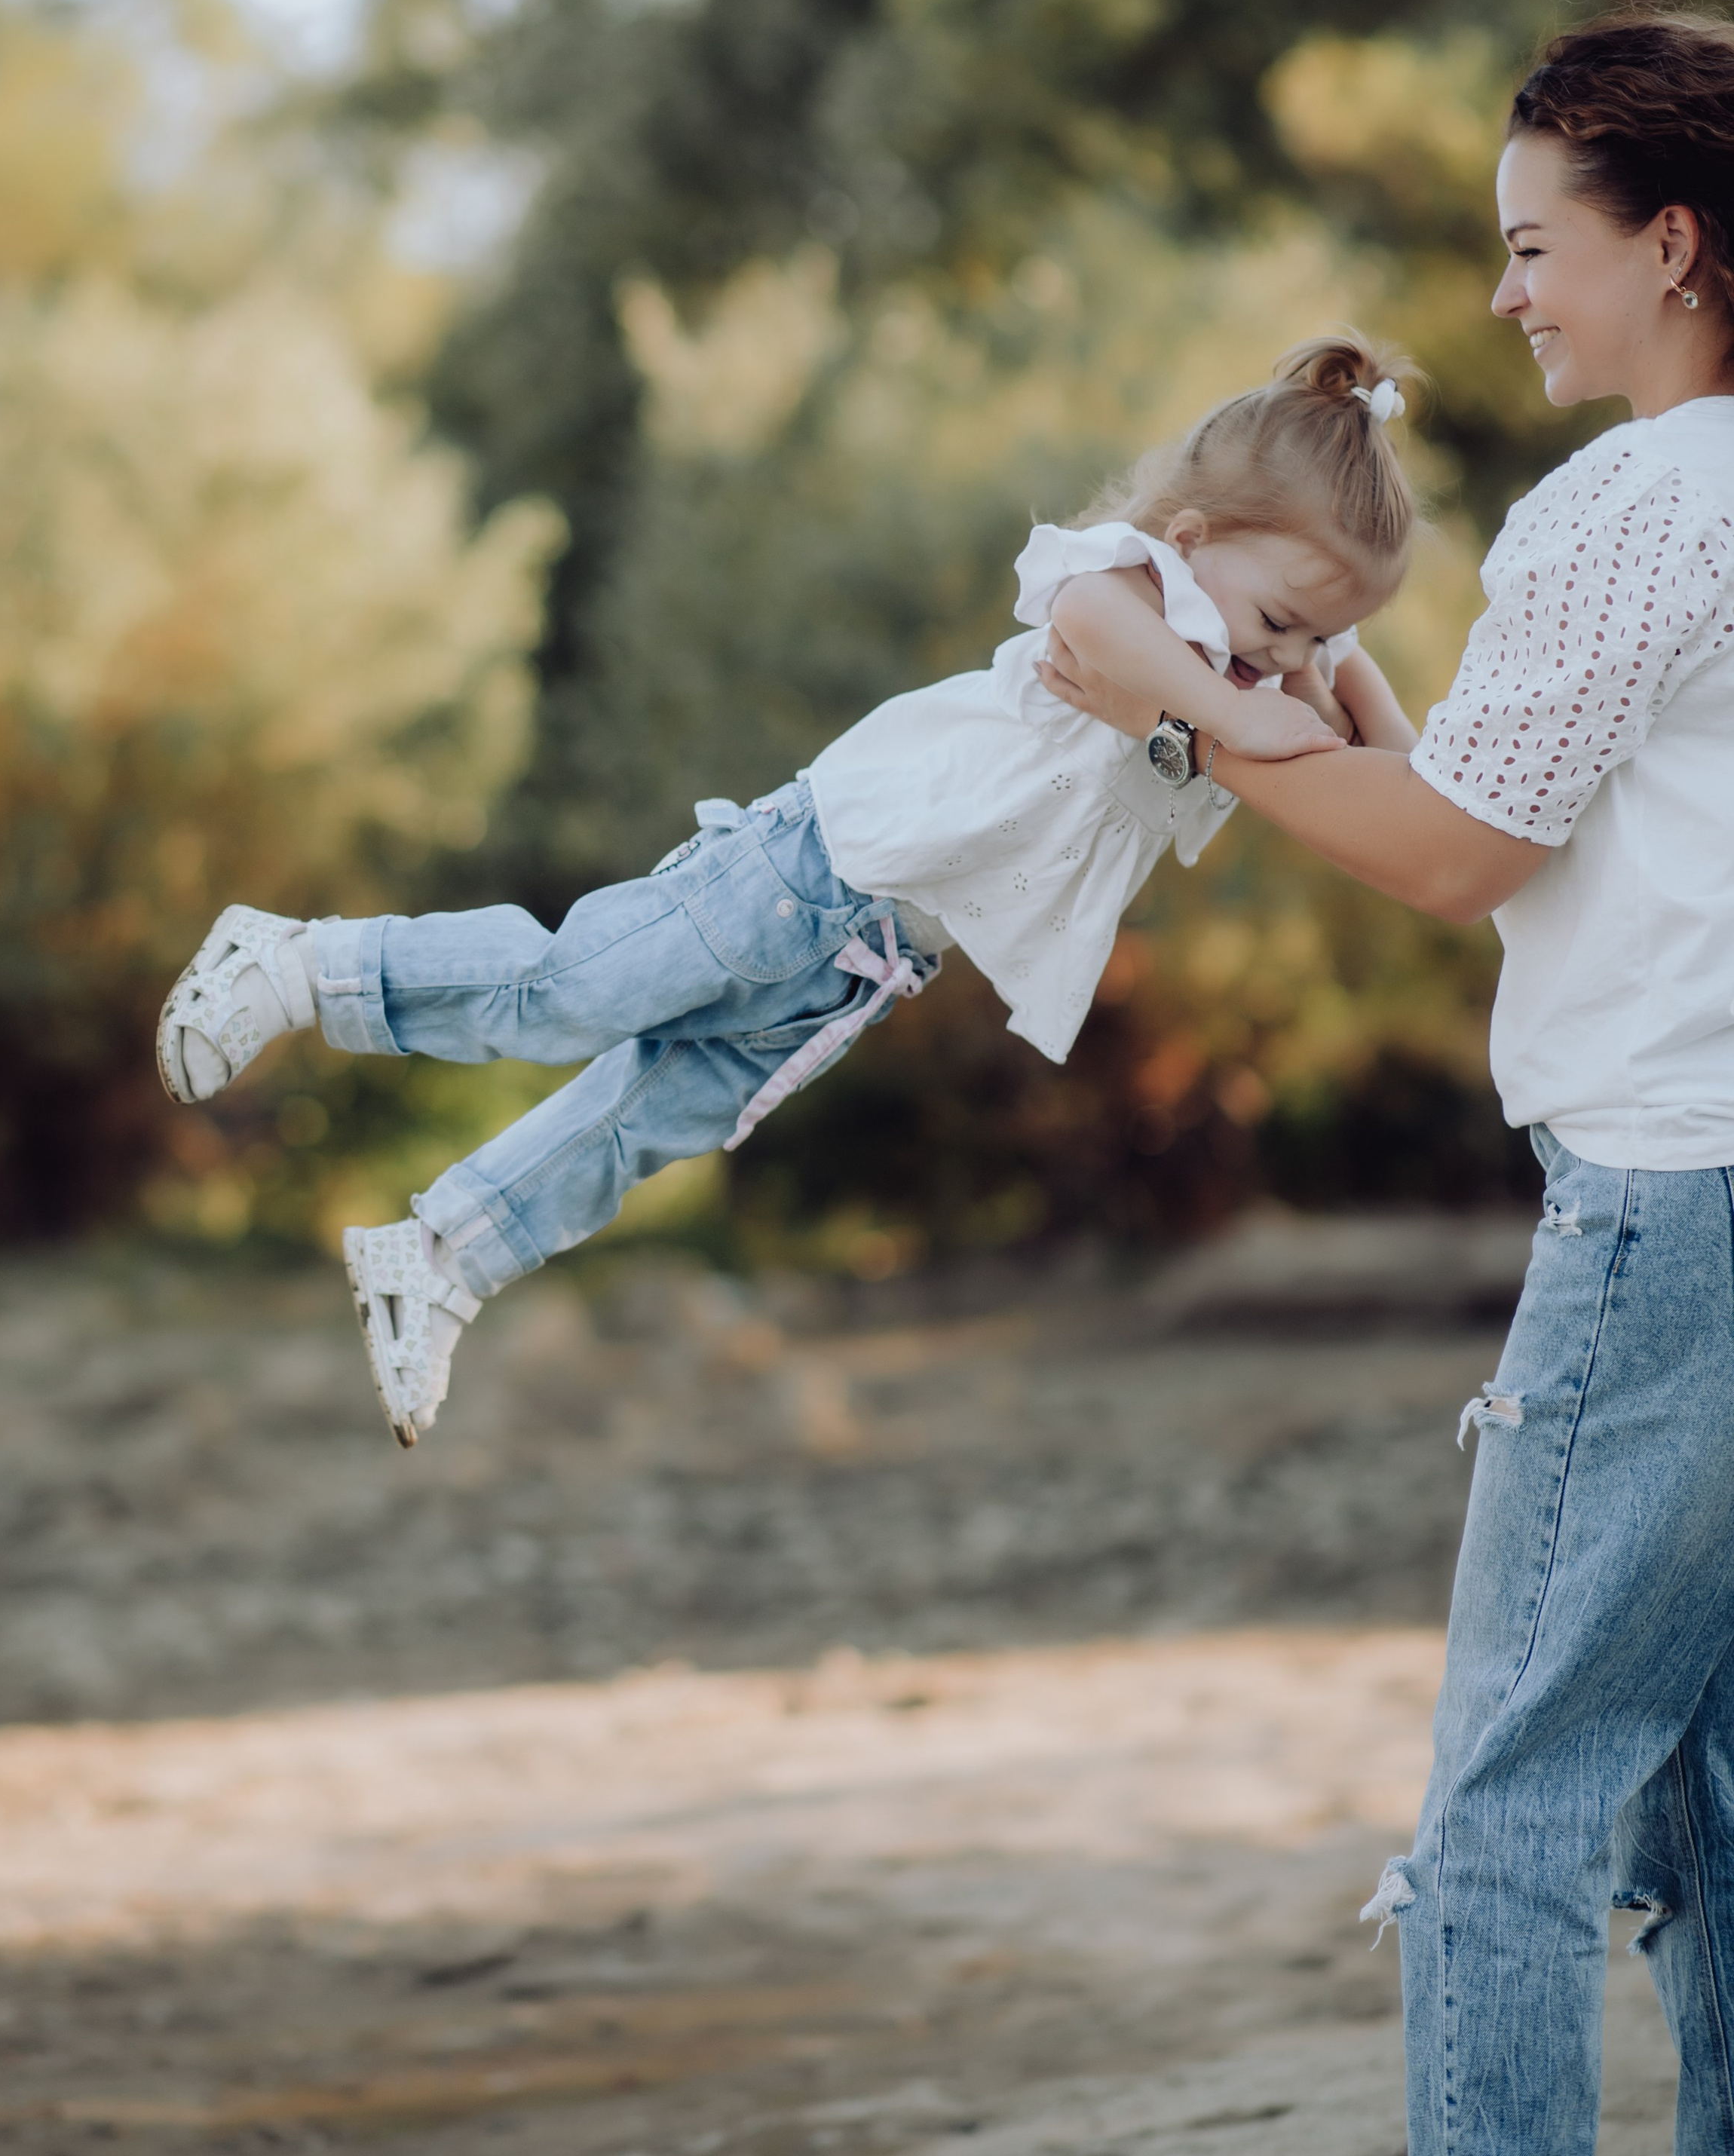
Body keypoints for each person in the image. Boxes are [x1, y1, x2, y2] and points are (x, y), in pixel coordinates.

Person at [1040, 10, 1734, 2156]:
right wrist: (1333, 709)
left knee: (1512, 1809)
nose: (1511, 295)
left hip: (1665, 1205)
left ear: (1681, 243)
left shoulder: (1630, 500)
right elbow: (1535, 793)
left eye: (1541, 247)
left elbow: (1450, 859)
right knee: (1708, 1797)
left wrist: (1170, 695)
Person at [155, 334, 1420, 1447]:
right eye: (1282, 620)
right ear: (1193, 540)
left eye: (1322, 634)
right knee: (575, 990)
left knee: (659, 1114)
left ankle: (437, 1259)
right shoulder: (1127, 589)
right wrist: (1245, 708)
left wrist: (1334, 666)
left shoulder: (1258, 672)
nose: (1289, 656)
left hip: (875, 954)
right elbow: (1115, 639)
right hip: (815, 865)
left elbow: (1400, 771)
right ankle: (297, 963)